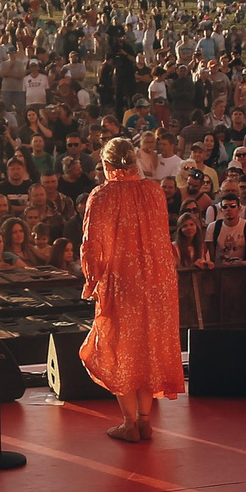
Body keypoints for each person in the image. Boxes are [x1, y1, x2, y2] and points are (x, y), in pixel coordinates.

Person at [77, 135, 183, 441]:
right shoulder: (154, 191)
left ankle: (129, 423)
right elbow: (162, 238)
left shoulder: (102, 195)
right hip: (157, 283)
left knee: (120, 350)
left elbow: (92, 245)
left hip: (122, 283)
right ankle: (145, 420)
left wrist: (92, 281)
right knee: (148, 349)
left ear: (106, 164)